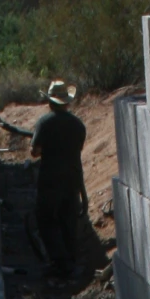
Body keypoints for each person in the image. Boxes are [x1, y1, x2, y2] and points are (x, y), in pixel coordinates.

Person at [31, 80, 87, 282]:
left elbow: (35, 151)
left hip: (50, 178)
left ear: (50, 102)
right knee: (68, 219)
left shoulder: (44, 123)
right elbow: (78, 149)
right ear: (67, 103)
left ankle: (58, 262)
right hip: (72, 178)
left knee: (46, 218)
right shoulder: (78, 125)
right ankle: (71, 263)